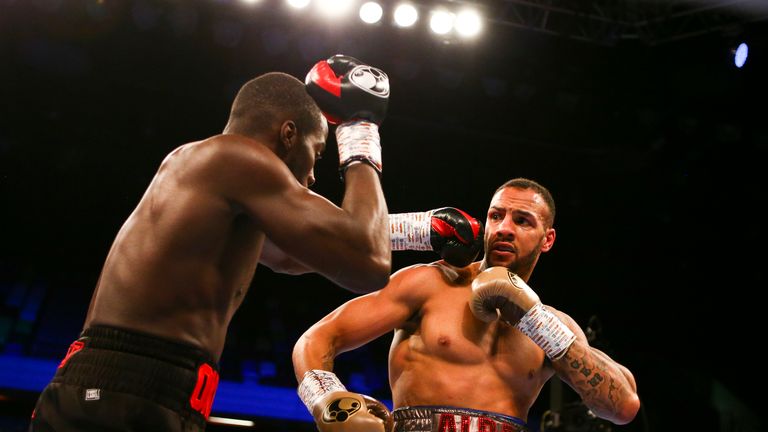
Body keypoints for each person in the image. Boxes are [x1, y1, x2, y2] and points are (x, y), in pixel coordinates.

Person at [28, 55, 397, 431]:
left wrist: (420, 229)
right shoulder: (238, 158)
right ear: (288, 134)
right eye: (316, 153)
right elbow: (366, 261)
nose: (313, 176)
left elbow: (304, 253)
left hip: (124, 390)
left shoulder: (214, 176)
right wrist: (359, 130)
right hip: (130, 394)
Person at [293, 178, 641, 432]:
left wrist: (536, 321)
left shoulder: (553, 326)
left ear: (547, 239)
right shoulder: (431, 283)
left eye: (522, 221)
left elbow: (623, 406)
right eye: (496, 216)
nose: (504, 228)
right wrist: (327, 400)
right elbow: (317, 339)